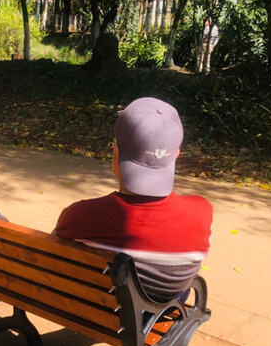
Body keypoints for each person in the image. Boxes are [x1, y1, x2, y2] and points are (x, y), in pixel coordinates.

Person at [54, 97, 213, 301]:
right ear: (176, 154)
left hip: (92, 307)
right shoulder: (202, 213)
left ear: (116, 151)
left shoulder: (81, 215)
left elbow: (56, 248)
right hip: (162, 312)